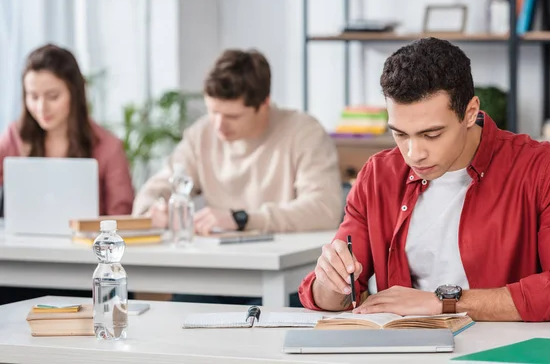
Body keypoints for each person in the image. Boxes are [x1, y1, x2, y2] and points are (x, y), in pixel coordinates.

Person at [298, 37, 550, 322]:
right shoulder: (378, 175)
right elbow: (329, 298)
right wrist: (331, 280)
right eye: (400, 134)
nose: (414, 154)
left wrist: (444, 302)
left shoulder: (544, 169)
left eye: (432, 134)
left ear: (470, 113)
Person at [133, 49, 342, 305]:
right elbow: (158, 185)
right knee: (175, 318)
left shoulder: (304, 132)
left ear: (264, 103)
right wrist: (153, 209)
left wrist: (241, 218)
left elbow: (324, 209)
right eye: (212, 111)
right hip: (219, 272)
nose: (219, 125)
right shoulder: (202, 134)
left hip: (286, 276)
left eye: (232, 116)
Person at [0, 44, 134, 216]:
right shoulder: (15, 136)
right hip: (22, 242)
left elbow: (122, 216)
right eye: (33, 96)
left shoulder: (108, 147)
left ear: (74, 93)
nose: (41, 108)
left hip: (88, 242)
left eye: (53, 96)